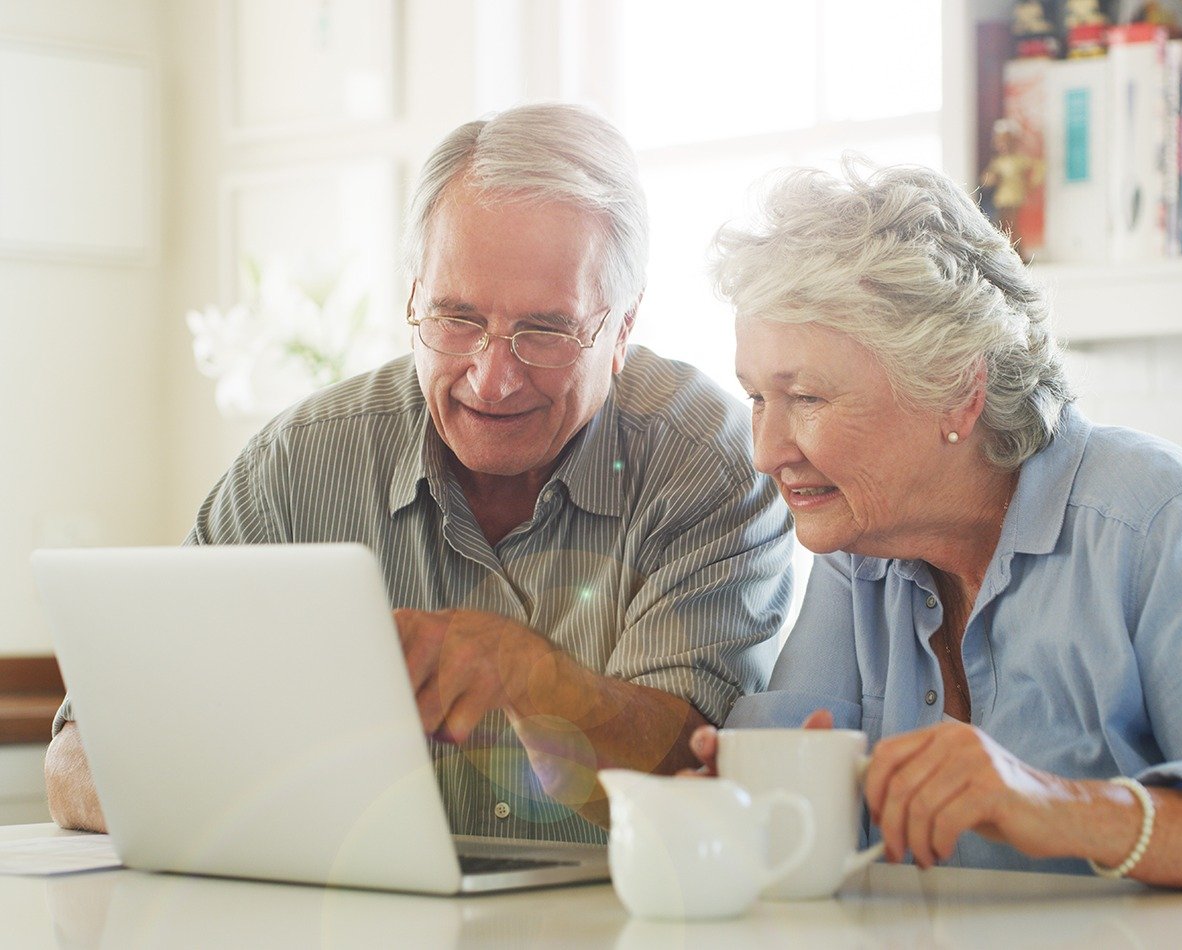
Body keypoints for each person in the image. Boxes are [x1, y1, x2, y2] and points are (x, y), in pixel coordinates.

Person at [690, 158, 1182, 895]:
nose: (766, 452)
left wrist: (1057, 806)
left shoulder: (1157, 525)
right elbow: (781, 787)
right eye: (756, 398)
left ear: (958, 391)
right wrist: (723, 794)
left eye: (808, 399)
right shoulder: (863, 550)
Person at [45, 103, 793, 842]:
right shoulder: (301, 463)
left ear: (622, 327)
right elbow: (79, 754)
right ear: (412, 298)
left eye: (544, 330)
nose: (492, 379)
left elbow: (690, 771)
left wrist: (535, 680)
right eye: (457, 319)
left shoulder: (712, 463)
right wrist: (264, 808)